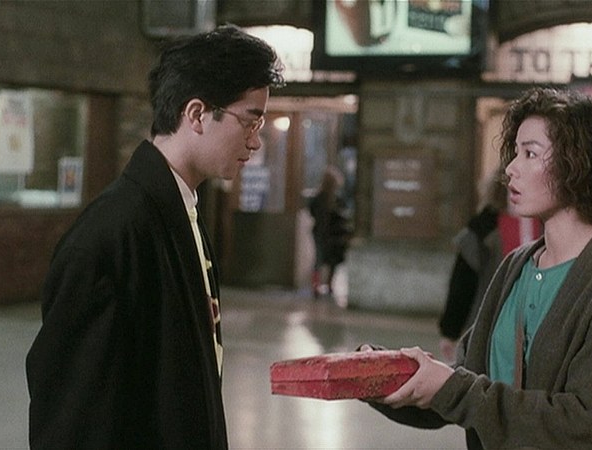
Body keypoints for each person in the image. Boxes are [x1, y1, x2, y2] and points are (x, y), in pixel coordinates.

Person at [25, 25, 284, 449]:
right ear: (197, 114)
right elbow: (73, 421)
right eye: (250, 121)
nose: (255, 142)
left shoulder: (182, 211)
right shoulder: (110, 235)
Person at [362, 87, 592, 450]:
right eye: (516, 152)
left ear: (581, 164)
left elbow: (582, 425)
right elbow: (465, 387)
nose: (510, 168)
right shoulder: (516, 266)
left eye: (530, 153)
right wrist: (383, 374)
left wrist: (452, 389)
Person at [437, 169, 540, 362]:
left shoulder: (550, 225)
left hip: (534, 328)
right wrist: (450, 330)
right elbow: (463, 283)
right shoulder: (483, 229)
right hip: (493, 326)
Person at [308, 165, 352, 298]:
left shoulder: (319, 198)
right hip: (332, 234)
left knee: (320, 259)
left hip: (323, 232)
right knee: (330, 260)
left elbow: (312, 212)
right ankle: (327, 285)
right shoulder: (335, 199)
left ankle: (318, 285)